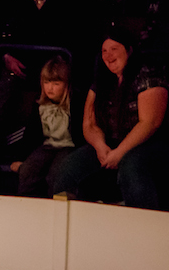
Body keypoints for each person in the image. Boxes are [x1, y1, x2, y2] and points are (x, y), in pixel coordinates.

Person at [50, 30, 167, 209]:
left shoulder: (148, 75)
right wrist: (100, 147)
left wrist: (119, 153)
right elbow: (89, 123)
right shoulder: (102, 80)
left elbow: (150, 123)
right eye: (104, 51)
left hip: (148, 144)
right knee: (69, 167)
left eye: (114, 49)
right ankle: (63, 217)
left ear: (129, 50)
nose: (108, 55)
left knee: (132, 165)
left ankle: (143, 220)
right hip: (111, 144)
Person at [15, 56, 75, 197]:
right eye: (47, 82)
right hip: (48, 146)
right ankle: (26, 203)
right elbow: (30, 134)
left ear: (66, 84)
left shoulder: (74, 104)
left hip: (69, 146)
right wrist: (21, 158)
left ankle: (54, 205)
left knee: (56, 173)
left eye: (56, 83)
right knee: (28, 170)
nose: (50, 88)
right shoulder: (40, 105)